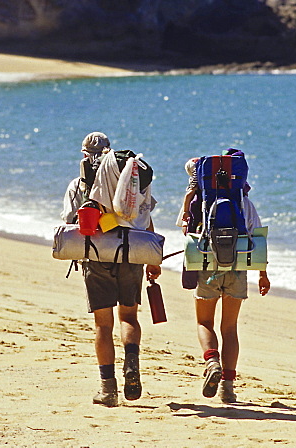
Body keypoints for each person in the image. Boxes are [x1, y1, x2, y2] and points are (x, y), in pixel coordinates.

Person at [61, 132, 162, 407]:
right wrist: (153, 258)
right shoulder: (132, 180)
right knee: (128, 317)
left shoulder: (78, 185)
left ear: (84, 154)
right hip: (132, 253)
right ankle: (132, 362)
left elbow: (72, 223)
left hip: (96, 257)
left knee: (103, 325)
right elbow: (146, 220)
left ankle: (108, 390)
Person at [179, 149, 270, 403]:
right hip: (237, 267)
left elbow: (187, 235)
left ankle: (211, 362)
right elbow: (258, 239)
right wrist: (263, 274)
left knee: (204, 323)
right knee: (229, 328)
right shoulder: (245, 204)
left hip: (207, 265)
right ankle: (227, 387)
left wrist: (188, 202)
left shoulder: (198, 202)